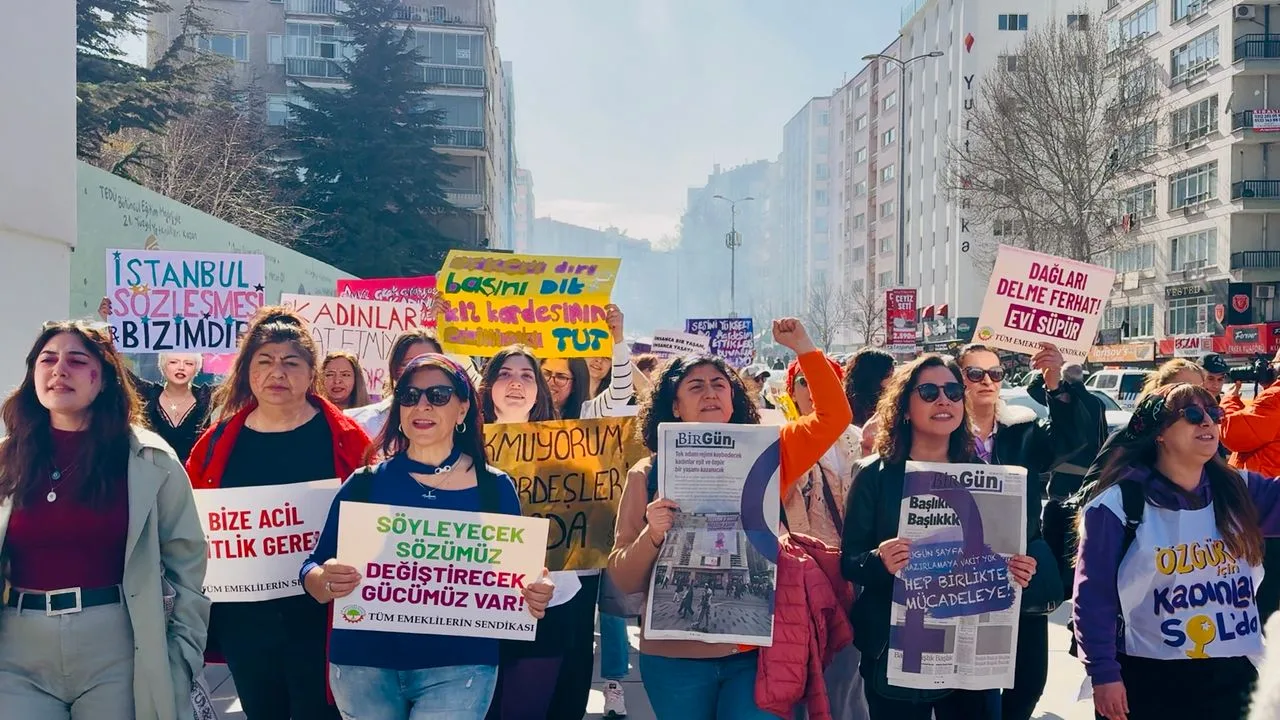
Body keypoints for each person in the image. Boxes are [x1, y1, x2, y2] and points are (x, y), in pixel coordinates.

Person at [608, 317, 851, 720]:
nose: (710, 392)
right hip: (673, 660)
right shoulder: (647, 474)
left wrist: (805, 347)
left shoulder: (770, 456)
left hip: (755, 655)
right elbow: (622, 578)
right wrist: (652, 534)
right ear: (673, 405)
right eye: (696, 385)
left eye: (720, 384)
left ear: (736, 399)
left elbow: (833, 417)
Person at [300, 353, 555, 719]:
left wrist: (534, 589)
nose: (422, 405)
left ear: (463, 408)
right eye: (409, 395)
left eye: (438, 395)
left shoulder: (494, 488)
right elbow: (311, 568)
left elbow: (516, 577)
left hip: (460, 666)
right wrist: (325, 579)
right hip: (364, 666)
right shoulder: (364, 483)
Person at [0, 320, 210, 719]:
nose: (59, 369)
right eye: (48, 359)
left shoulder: (149, 459)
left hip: (117, 650)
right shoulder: (5, 459)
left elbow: (187, 563)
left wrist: (182, 656)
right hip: (16, 652)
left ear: (103, 379)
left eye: (77, 361)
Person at [186, 307, 370, 719]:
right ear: (248, 371)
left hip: (323, 618)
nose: (278, 373)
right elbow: (188, 523)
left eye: (291, 363)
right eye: (265, 362)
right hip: (245, 621)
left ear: (311, 373)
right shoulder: (215, 445)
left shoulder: (347, 439)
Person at [841, 354, 1036, 720]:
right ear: (904, 407)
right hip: (897, 650)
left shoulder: (986, 475)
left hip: (969, 657)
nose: (943, 400)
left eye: (952, 391)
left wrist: (1019, 567)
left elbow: (1000, 552)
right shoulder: (874, 476)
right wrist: (879, 560)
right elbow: (850, 561)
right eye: (928, 391)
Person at [1073, 384, 1280, 720]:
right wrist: (1103, 673)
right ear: (1159, 433)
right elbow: (1093, 597)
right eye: (1193, 415)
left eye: (1214, 415)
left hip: (1231, 675)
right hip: (1148, 676)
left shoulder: (1240, 489)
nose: (1208, 424)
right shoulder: (1117, 505)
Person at [957, 344, 1099, 720]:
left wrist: (1055, 383)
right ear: (957, 380)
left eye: (995, 373)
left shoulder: (1021, 428)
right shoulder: (940, 432)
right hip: (960, 572)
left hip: (1021, 567)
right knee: (970, 686)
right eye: (975, 373)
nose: (987, 381)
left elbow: (1072, 442)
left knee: (1030, 679)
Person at [346, 329, 443, 438]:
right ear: (395, 369)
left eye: (429, 363)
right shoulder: (358, 423)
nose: (419, 370)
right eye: (409, 363)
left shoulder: (451, 422)